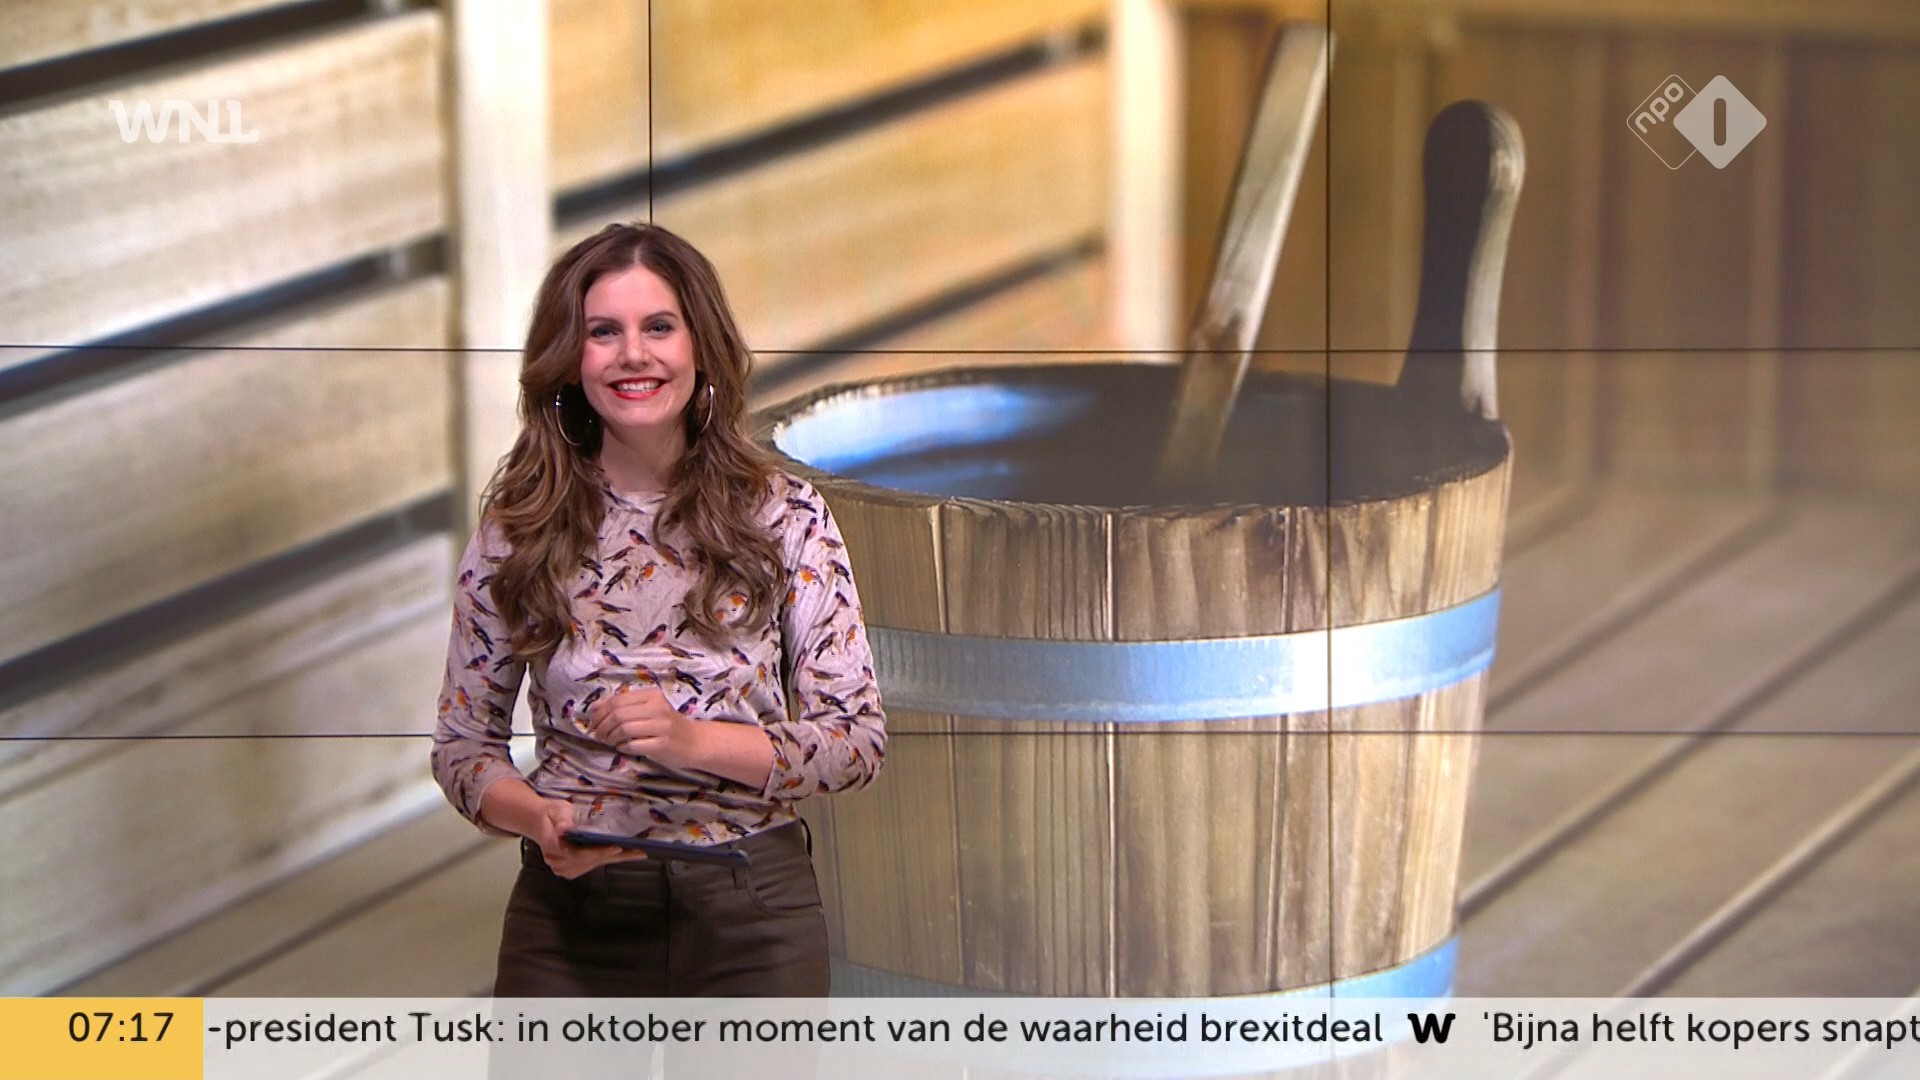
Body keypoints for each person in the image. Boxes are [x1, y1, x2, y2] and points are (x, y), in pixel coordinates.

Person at [430, 221, 886, 998]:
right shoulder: (519, 528)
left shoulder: (786, 516)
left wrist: (692, 741)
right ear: (569, 359)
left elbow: (855, 742)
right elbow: (462, 747)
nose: (632, 354)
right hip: (570, 919)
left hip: (751, 913)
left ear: (701, 346)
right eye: (603, 332)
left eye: (659, 328)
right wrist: (536, 818)